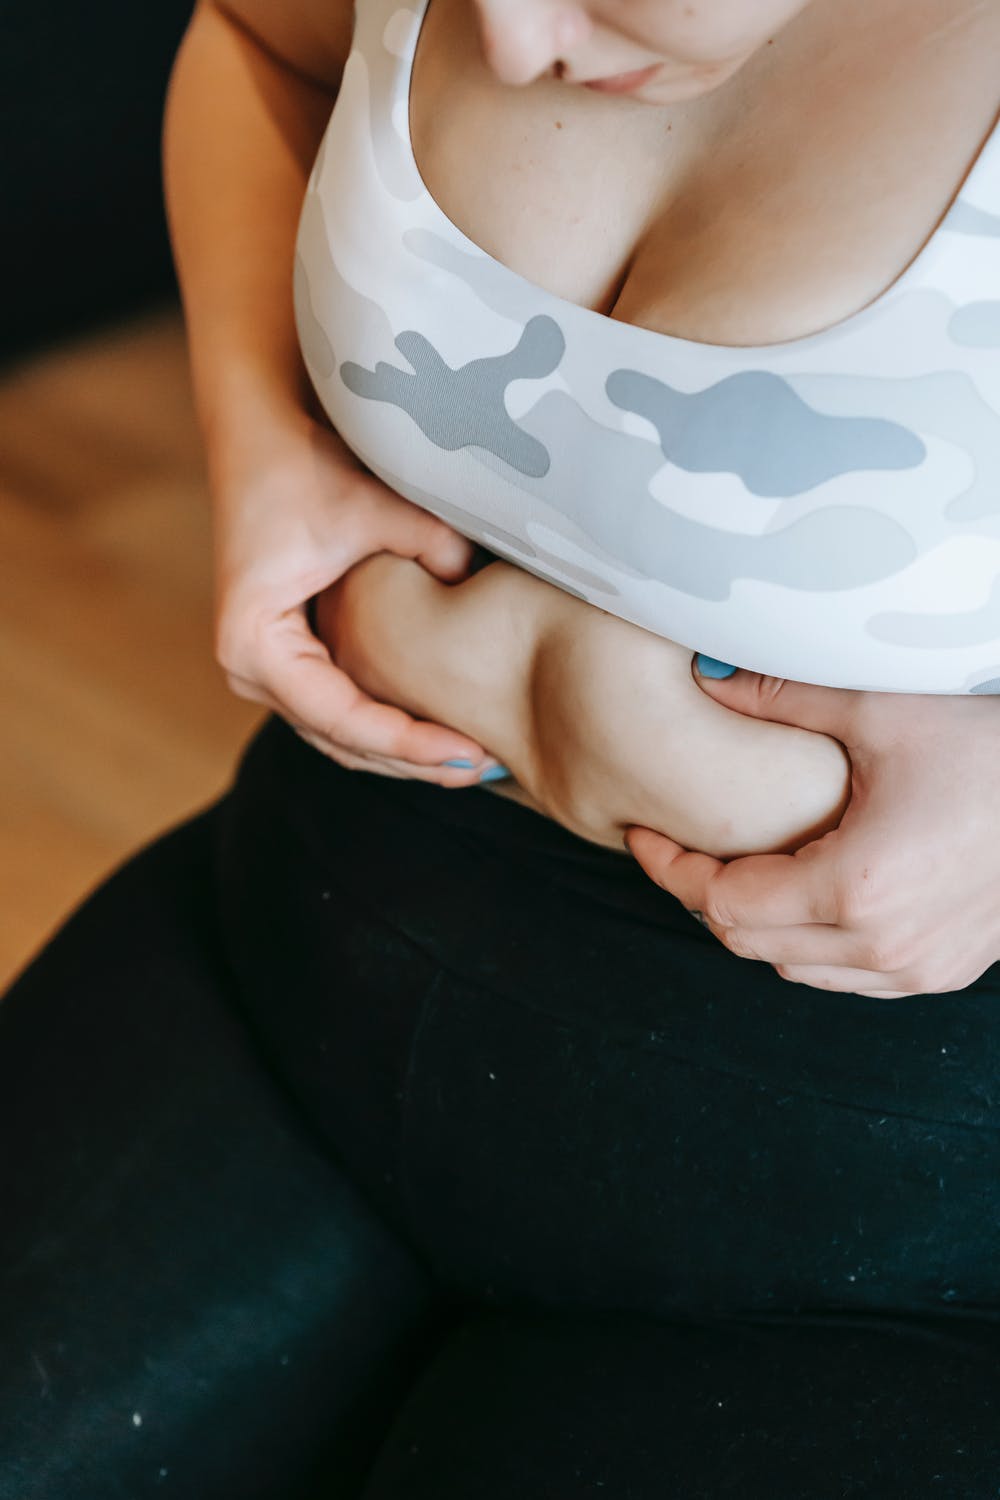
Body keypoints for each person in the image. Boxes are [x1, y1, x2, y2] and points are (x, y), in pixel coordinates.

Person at [2, 0, 999, 1494]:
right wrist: (259, 434)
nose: (519, 40)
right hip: (313, 940)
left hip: (849, 1226)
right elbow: (254, 41)